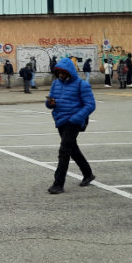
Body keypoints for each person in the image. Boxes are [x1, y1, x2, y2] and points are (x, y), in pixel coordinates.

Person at [44, 59, 96, 194]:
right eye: (59, 73)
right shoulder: (55, 83)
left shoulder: (81, 85)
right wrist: (50, 103)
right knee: (73, 149)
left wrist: (76, 119)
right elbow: (50, 102)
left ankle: (58, 184)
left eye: (63, 73)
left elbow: (90, 105)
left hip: (73, 122)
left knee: (64, 151)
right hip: (60, 120)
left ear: (69, 72)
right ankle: (88, 174)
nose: (60, 75)